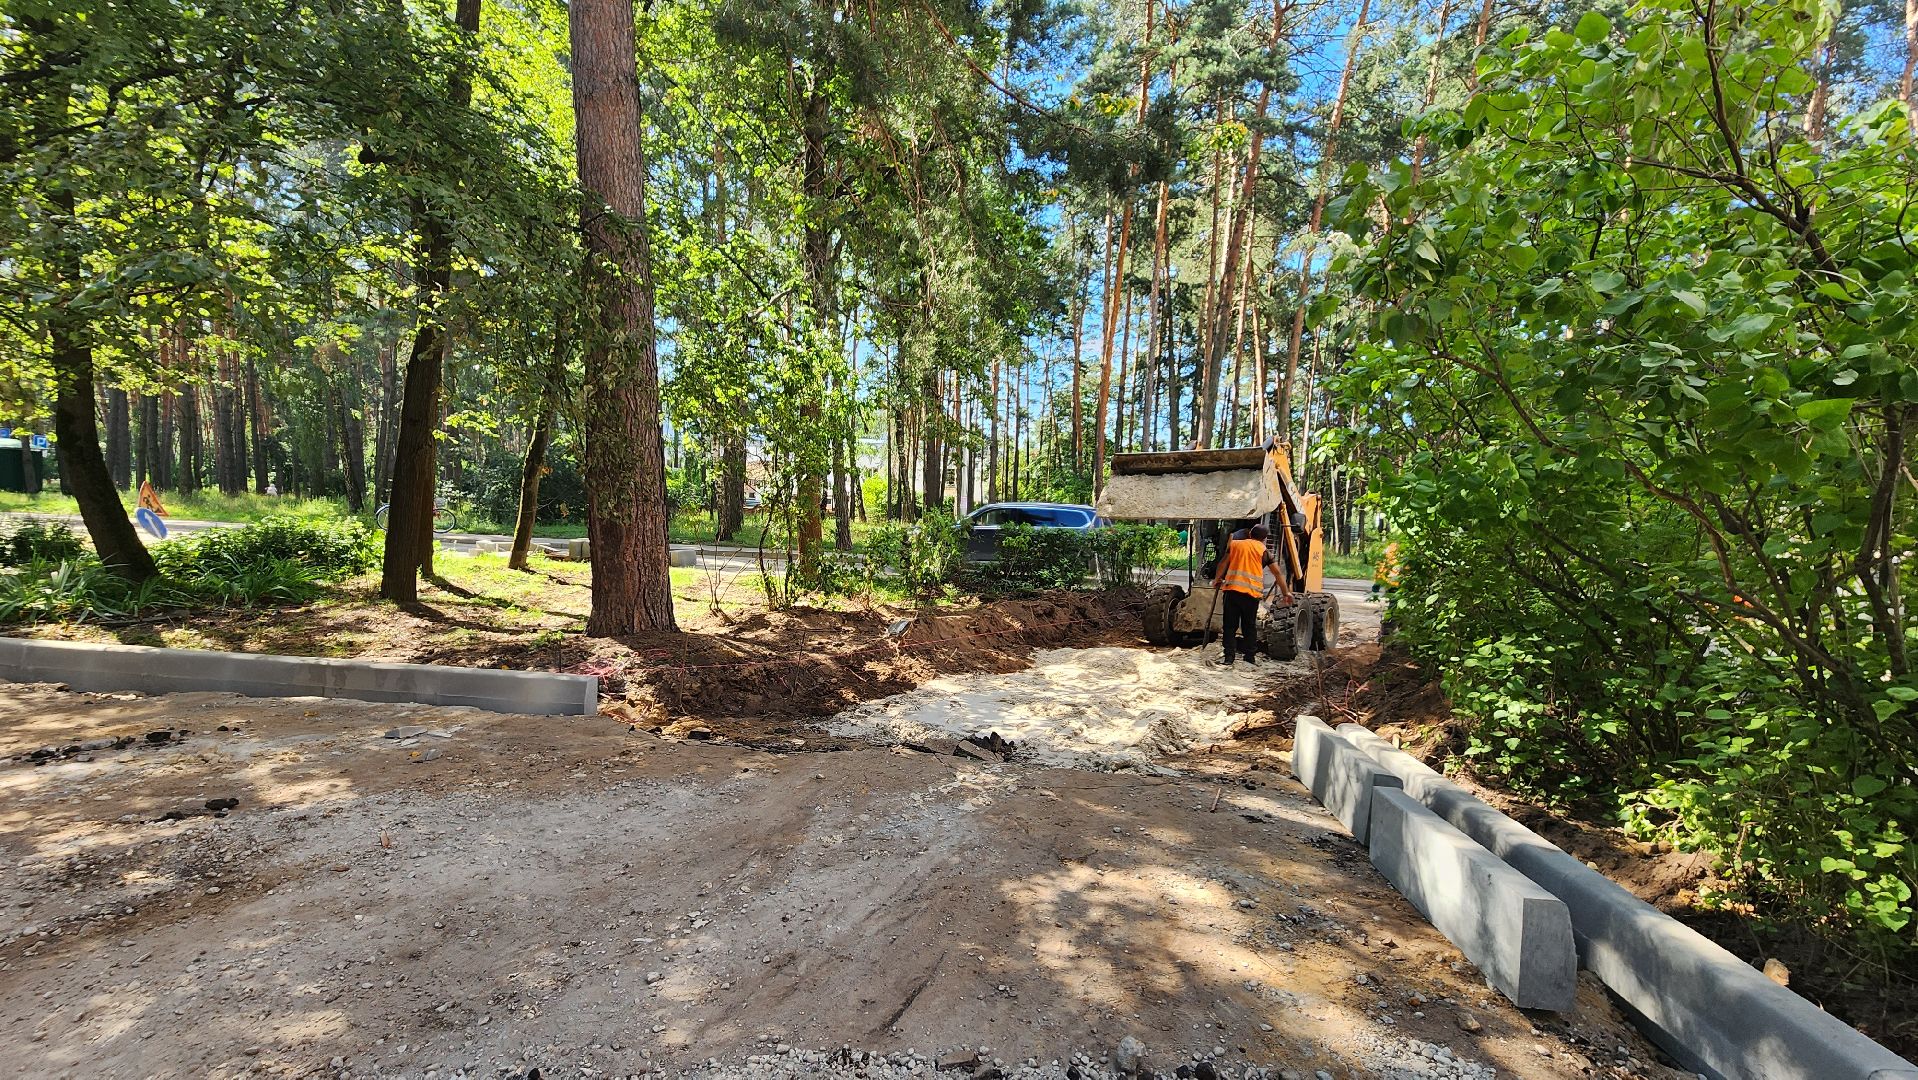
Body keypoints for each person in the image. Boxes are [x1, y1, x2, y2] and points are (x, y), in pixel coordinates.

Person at [1212, 522, 1276, 667]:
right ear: (1265, 538)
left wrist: (1217, 579)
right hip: (1251, 595)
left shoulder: (1235, 545)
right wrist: (1286, 592)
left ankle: (1229, 657)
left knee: (1229, 626)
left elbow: (1223, 562)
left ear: (1249, 534)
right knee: (1249, 626)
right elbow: (1277, 572)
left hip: (1232, 591)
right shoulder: (1263, 550)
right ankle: (1249, 657)